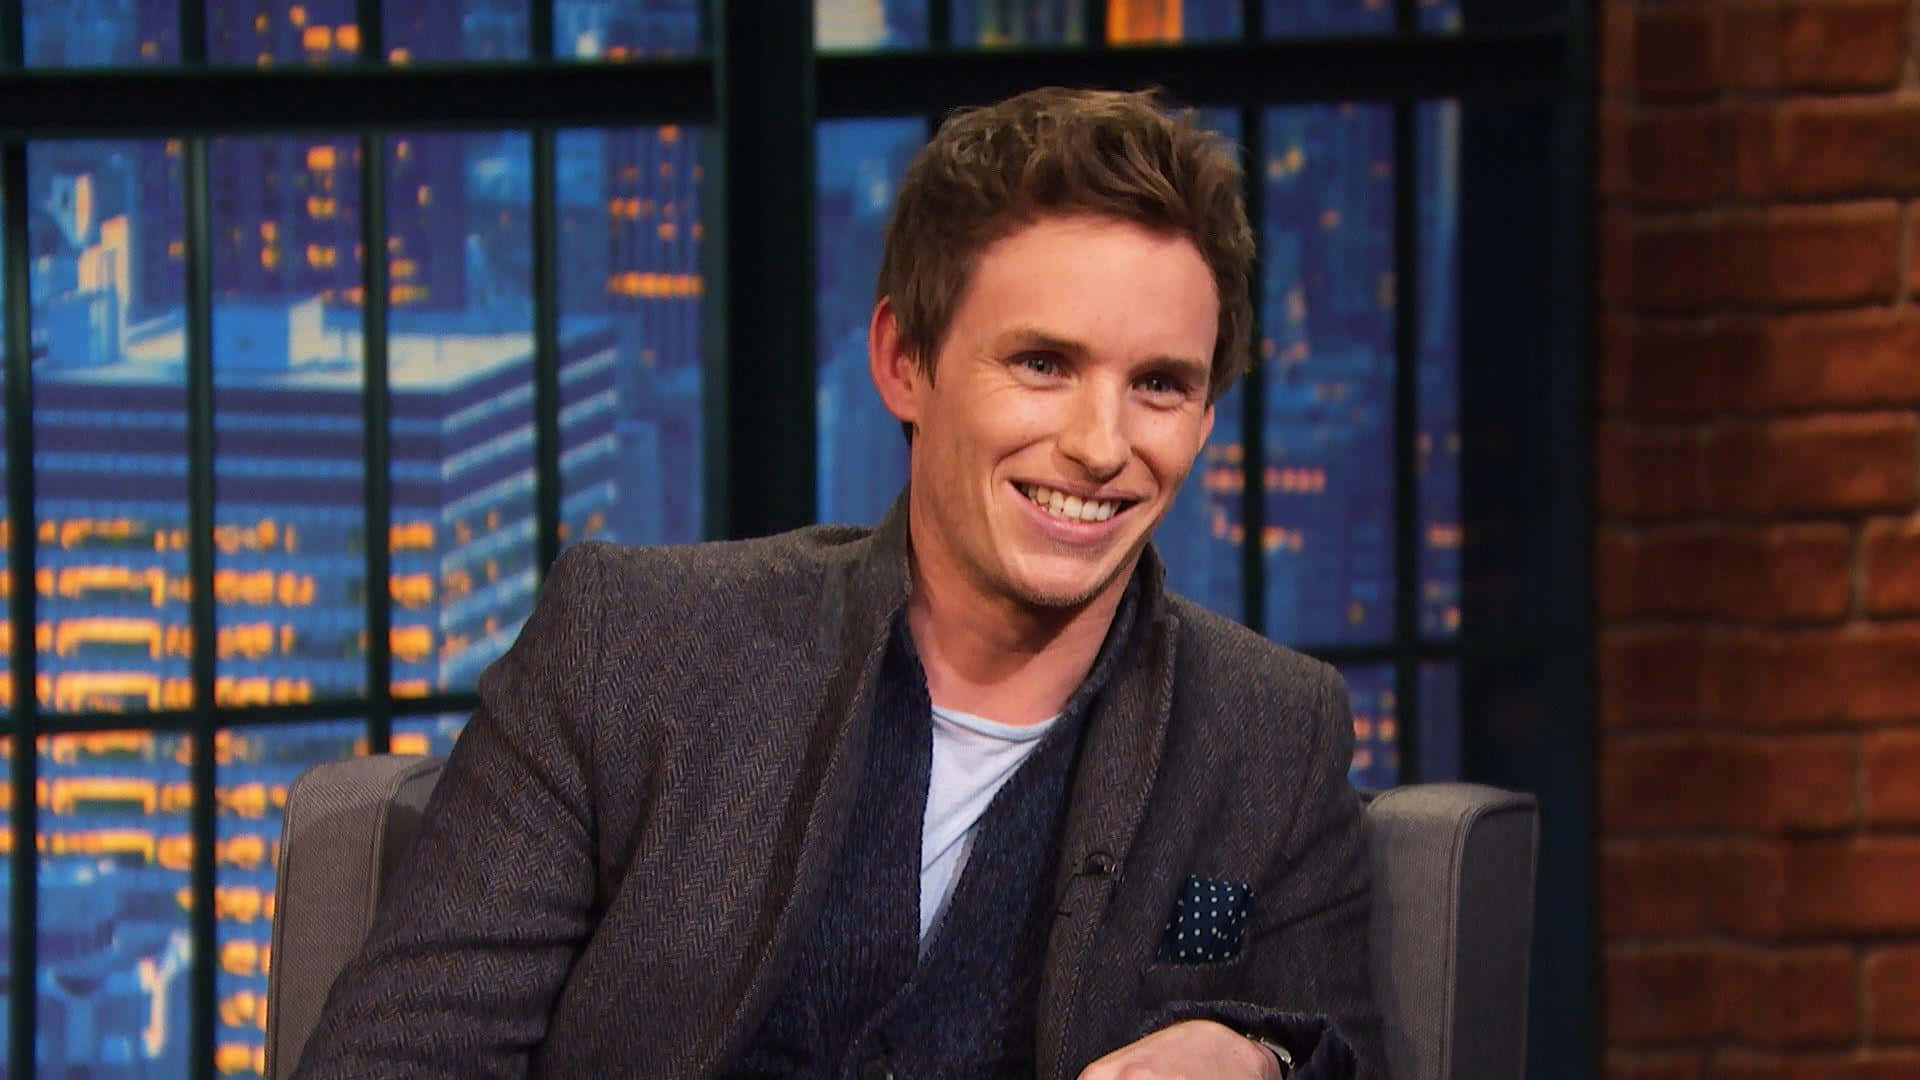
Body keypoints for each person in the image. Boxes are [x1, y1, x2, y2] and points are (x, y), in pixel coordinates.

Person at [293, 87, 1384, 1079]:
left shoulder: (1269, 732)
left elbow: (1344, 1058)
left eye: (1159, 385)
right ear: (904, 362)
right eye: (1043, 364)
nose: (1101, 445)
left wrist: (1258, 1066)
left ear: (1203, 416)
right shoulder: (630, 647)